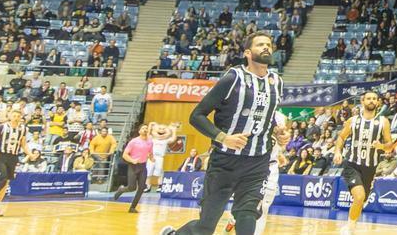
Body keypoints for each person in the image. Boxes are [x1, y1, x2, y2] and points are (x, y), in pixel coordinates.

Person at [161, 32, 285, 235]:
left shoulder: (277, 82)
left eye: (269, 45)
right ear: (247, 52)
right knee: (205, 228)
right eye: (260, 44)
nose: (266, 48)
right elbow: (197, 116)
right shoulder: (233, 78)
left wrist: (277, 132)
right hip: (225, 161)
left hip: (257, 163)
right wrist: (223, 137)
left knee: (247, 216)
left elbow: (266, 117)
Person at [332, 91, 397, 225]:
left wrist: (381, 146)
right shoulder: (353, 120)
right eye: (368, 98)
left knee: (361, 200)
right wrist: (337, 151)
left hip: (370, 167)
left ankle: (352, 225)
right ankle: (349, 229)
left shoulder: (383, 122)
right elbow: (341, 137)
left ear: (378, 102)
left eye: (374, 99)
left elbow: (390, 146)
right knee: (359, 196)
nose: (371, 101)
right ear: (363, 101)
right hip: (352, 164)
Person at [0, 108, 29, 217]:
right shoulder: (2, 127)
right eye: (14, 116)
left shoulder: (23, 129)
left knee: (6, 183)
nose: (16, 118)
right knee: (3, 179)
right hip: (1, 156)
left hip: (13, 157)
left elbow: (23, 144)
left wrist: (29, 153)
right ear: (10, 116)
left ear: (21, 118)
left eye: (18, 116)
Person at [113, 124, 153, 213]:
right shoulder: (134, 141)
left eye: (146, 128)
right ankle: (121, 190)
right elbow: (125, 155)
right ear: (139, 131)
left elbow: (150, 152)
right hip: (133, 166)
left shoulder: (150, 142)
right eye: (143, 128)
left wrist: (152, 158)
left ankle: (132, 207)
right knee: (132, 187)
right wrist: (132, 160)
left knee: (142, 187)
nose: (145, 130)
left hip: (143, 166)